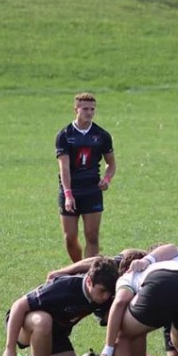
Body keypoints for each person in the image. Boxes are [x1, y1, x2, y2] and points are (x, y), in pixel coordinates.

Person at [1, 257, 119, 356]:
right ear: (88, 282)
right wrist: (9, 349)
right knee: (43, 321)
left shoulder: (104, 290)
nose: (106, 296)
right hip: (24, 324)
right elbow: (19, 306)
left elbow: (104, 259)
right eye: (102, 291)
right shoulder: (65, 286)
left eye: (109, 292)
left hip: (56, 332)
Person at [56, 92, 116, 262]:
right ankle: (77, 267)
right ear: (76, 109)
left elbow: (111, 164)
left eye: (92, 109)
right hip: (71, 191)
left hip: (92, 191)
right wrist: (68, 194)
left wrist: (106, 179)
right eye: (85, 109)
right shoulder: (65, 135)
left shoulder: (102, 135)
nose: (89, 112)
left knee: (92, 236)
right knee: (70, 238)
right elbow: (64, 167)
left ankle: (89, 273)